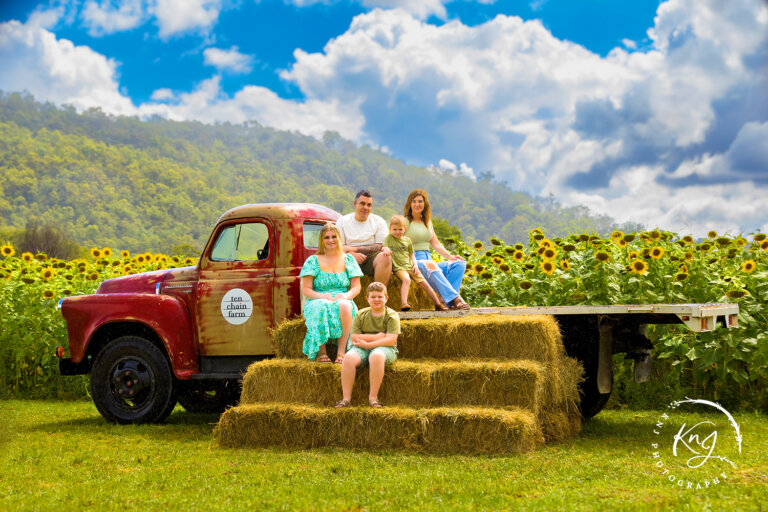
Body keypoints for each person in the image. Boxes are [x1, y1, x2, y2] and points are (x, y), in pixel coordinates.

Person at [300, 223, 362, 364]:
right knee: (321, 306)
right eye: (326, 237)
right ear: (321, 240)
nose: (331, 240)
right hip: (318, 298)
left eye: (334, 236)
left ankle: (341, 352)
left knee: (346, 306)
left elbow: (356, 287)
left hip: (342, 296)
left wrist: (346, 295)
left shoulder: (348, 259)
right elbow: (306, 289)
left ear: (339, 238)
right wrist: (322, 296)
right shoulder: (313, 260)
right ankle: (322, 352)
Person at [335, 282, 400, 408]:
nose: (376, 299)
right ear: (367, 299)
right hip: (362, 346)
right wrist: (376, 337)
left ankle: (373, 398)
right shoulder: (361, 314)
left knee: (376, 356)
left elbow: (390, 340)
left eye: (380, 297)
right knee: (348, 358)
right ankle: (346, 399)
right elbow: (354, 337)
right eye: (373, 297)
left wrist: (369, 344)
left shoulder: (392, 315)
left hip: (386, 348)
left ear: (386, 298)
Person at [403, 189, 470, 310]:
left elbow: (436, 244)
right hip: (413, 262)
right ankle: (456, 299)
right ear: (409, 204)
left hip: (429, 261)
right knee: (430, 264)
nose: (417, 204)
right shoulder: (405, 222)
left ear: (425, 204)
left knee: (459, 264)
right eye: (414, 201)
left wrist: (450, 257)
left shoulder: (427, 221)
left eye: (420, 201)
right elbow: (398, 245)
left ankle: (445, 300)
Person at [384, 214, 448, 311]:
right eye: (395, 229)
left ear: (404, 229)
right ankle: (404, 303)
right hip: (399, 268)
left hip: (410, 266)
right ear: (390, 229)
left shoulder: (407, 240)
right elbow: (384, 246)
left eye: (400, 229)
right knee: (406, 279)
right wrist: (385, 249)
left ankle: (438, 304)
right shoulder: (389, 239)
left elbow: (412, 255)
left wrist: (415, 265)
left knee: (425, 284)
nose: (397, 232)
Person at [335, 190, 392, 286]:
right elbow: (339, 247)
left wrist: (354, 249)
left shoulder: (379, 221)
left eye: (369, 205)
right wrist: (350, 254)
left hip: (370, 258)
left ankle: (378, 294)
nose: (366, 207)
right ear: (355, 204)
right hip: (347, 258)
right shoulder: (342, 221)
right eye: (362, 203)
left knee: (386, 257)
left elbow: (380, 246)